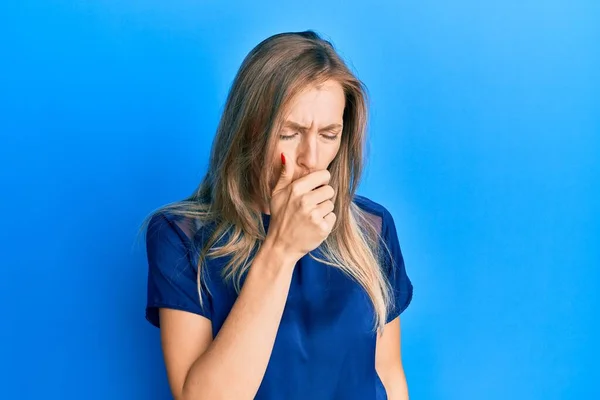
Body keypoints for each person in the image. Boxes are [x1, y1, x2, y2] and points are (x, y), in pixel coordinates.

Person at [141, 30, 414, 400]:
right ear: (249, 131)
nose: (311, 158)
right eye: (289, 133)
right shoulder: (181, 236)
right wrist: (281, 250)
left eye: (329, 134)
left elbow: (389, 375)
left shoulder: (372, 227)